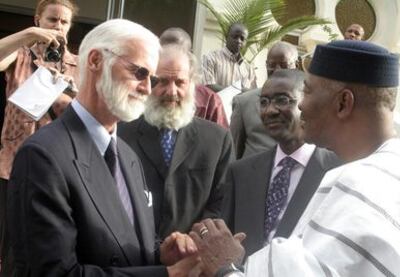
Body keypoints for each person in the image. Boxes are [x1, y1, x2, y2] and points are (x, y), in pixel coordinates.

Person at [190, 40, 400, 277]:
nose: (303, 105)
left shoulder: (359, 184)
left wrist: (225, 267)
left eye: (307, 91)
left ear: (343, 103)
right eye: (263, 101)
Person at [6, 19, 199, 277]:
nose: (148, 89)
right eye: (140, 73)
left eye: (151, 78)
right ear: (96, 61)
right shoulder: (42, 156)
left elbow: (123, 244)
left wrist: (159, 255)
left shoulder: (129, 157)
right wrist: (167, 275)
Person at [118, 45, 234, 239]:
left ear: (192, 84)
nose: (172, 92)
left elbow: (222, 203)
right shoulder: (121, 134)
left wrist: (192, 241)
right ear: (147, 82)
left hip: (194, 257)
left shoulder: (218, 140)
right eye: (162, 81)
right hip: (132, 256)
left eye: (180, 82)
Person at [222, 69, 341, 256]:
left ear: (307, 102)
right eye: (263, 102)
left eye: (282, 100)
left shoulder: (338, 173)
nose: (269, 111)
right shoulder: (241, 173)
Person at [0, 0, 79, 271]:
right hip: (11, 166)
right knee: (12, 250)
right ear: (38, 20)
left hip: (57, 172)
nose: (57, 26)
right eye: (51, 20)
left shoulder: (77, 65)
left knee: (48, 248)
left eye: (63, 22)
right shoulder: (19, 55)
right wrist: (29, 37)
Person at [230, 41, 297, 159]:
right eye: (272, 64)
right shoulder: (243, 103)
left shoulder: (308, 104)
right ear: (266, 65)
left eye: (283, 64)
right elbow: (233, 153)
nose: (277, 70)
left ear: (295, 65)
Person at [160, 27, 228, 128]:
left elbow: (220, 139)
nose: (171, 91)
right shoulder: (144, 91)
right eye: (165, 52)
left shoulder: (210, 101)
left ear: (189, 55)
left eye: (178, 53)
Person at [202, 23, 257, 92]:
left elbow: (253, 93)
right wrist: (237, 93)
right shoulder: (211, 58)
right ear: (227, 37)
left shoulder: (248, 68)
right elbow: (208, 86)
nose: (239, 41)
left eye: (242, 38)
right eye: (235, 36)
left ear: (246, 42)